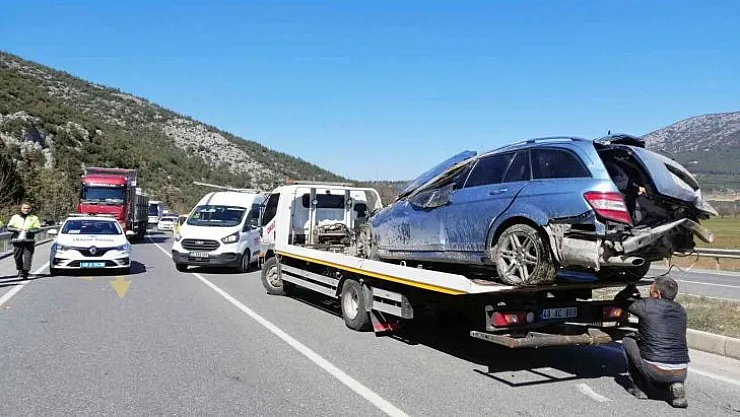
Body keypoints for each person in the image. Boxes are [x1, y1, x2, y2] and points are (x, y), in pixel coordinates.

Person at [614, 277, 689, 408]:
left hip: (656, 371)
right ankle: (676, 384)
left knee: (628, 340)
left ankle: (640, 388)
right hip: (682, 372)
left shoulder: (647, 305)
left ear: (657, 293)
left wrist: (630, 289)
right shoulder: (681, 310)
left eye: (651, 289)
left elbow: (619, 300)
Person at [6, 202, 41, 279]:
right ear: (21, 209)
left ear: (30, 209)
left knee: (28, 257)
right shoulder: (15, 217)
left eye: (28, 208)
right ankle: (20, 269)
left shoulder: (34, 218)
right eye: (24, 208)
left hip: (29, 240)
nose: (26, 210)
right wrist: (16, 229)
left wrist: (29, 230)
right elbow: (9, 227)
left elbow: (38, 228)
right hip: (17, 240)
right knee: (17, 256)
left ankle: (25, 272)